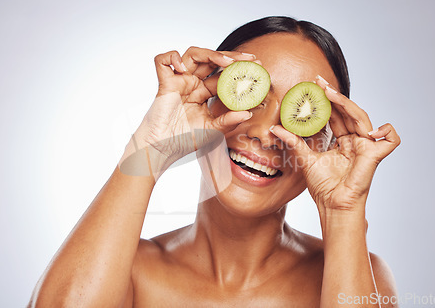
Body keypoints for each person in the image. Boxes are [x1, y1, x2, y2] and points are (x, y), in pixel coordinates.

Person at [29, 16, 401, 307]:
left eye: (299, 116)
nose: (264, 133)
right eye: (250, 95)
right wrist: (149, 150)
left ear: (330, 144)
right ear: (207, 97)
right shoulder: (128, 270)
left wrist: (343, 212)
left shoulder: (360, 277)